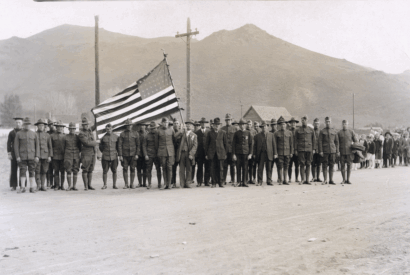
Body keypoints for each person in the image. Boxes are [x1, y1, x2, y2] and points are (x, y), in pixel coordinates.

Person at [14, 117, 39, 193]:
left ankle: (32, 187)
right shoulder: (18, 134)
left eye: (28, 124)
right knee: (22, 171)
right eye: (25, 124)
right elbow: (16, 146)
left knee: (32, 171)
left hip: (32, 156)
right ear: (23, 125)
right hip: (22, 157)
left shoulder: (34, 134)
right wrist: (17, 156)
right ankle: (22, 187)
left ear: (30, 125)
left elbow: (37, 146)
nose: (27, 126)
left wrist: (37, 156)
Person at [205, 117, 228, 188]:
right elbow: (206, 144)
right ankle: (213, 183)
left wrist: (225, 153)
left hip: (220, 153)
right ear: (213, 125)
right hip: (212, 154)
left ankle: (221, 182)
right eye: (215, 124)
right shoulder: (209, 133)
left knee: (221, 168)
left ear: (220, 125)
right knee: (212, 168)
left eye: (218, 124)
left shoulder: (223, 133)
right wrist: (206, 154)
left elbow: (225, 144)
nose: (217, 126)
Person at [78, 117, 100, 191]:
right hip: (86, 153)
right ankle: (85, 186)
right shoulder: (81, 134)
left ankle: (89, 185)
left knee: (91, 169)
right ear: (82, 125)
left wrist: (96, 118)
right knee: (85, 169)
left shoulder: (89, 130)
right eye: (84, 125)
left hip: (93, 153)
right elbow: (87, 143)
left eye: (87, 124)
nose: (86, 126)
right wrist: (96, 142)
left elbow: (95, 126)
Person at [118, 119, 140, 189]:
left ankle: (132, 184)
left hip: (133, 154)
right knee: (125, 169)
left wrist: (137, 154)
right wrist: (120, 155)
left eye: (130, 125)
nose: (129, 126)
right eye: (127, 125)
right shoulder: (122, 134)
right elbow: (119, 145)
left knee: (133, 169)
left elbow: (138, 145)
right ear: (125, 126)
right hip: (125, 155)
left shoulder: (136, 133)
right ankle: (126, 184)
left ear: (132, 125)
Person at [253, 121, 277, 186]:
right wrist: (254, 154)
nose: (264, 128)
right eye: (262, 127)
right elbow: (255, 146)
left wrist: (275, 153)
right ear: (261, 128)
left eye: (265, 126)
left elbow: (274, 145)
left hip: (269, 153)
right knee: (260, 168)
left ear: (267, 127)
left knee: (269, 168)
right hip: (261, 154)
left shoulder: (271, 135)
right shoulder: (257, 136)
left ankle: (269, 181)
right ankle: (259, 181)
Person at [176, 119, 198, 188]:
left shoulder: (194, 135)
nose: (188, 125)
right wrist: (181, 131)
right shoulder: (182, 134)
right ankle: (182, 183)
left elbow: (195, 146)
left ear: (192, 127)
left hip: (189, 154)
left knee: (189, 168)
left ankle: (188, 182)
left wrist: (191, 154)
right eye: (187, 124)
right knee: (181, 169)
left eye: (190, 124)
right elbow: (175, 137)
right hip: (182, 153)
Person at [295, 115, 316, 185]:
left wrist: (313, 149)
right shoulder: (298, 130)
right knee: (301, 164)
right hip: (301, 149)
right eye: (302, 120)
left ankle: (307, 180)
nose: (303, 122)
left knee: (308, 164)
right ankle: (302, 180)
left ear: (307, 121)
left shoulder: (311, 130)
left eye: (304, 120)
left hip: (309, 149)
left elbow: (314, 140)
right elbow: (295, 141)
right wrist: (295, 149)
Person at [156, 117, 176, 190]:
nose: (165, 124)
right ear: (162, 123)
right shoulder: (158, 131)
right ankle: (165, 184)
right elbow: (156, 143)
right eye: (164, 122)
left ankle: (170, 184)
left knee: (169, 167)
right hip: (162, 152)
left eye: (167, 122)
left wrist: (172, 150)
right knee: (164, 167)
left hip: (170, 151)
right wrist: (158, 152)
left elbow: (173, 140)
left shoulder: (171, 130)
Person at [232, 118, 253, 187]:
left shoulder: (248, 133)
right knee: (238, 167)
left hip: (246, 153)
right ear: (239, 125)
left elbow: (251, 144)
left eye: (243, 124)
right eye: (241, 124)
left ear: (245, 125)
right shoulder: (236, 133)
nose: (242, 126)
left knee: (245, 168)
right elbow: (233, 144)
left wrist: (250, 154)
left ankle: (244, 182)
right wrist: (234, 154)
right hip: (238, 153)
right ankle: (238, 182)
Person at [318, 117, 339, 185]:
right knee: (324, 165)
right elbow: (320, 142)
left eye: (329, 121)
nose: (328, 123)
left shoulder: (334, 131)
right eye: (326, 122)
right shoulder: (322, 131)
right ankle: (325, 180)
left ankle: (331, 180)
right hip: (325, 151)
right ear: (325, 122)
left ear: (331, 122)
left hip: (332, 151)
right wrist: (321, 151)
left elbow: (336, 142)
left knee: (332, 165)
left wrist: (337, 151)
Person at [34, 119, 52, 191]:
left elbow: (50, 146)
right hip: (37, 156)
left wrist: (50, 156)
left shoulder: (47, 135)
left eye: (42, 125)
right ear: (37, 126)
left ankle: (42, 185)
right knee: (37, 171)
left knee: (44, 171)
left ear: (44, 126)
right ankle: (38, 185)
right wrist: (35, 156)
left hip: (45, 155)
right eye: (39, 125)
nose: (41, 127)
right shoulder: (34, 134)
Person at [99, 124, 120, 189]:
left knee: (114, 170)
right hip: (105, 156)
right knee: (105, 171)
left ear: (112, 129)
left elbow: (118, 146)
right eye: (107, 129)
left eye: (110, 129)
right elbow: (100, 147)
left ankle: (114, 185)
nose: (108, 130)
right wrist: (104, 152)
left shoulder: (116, 137)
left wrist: (117, 153)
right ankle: (105, 185)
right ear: (106, 130)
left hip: (114, 156)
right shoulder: (103, 138)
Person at [273, 116, 293, 185]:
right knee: (280, 166)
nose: (282, 125)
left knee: (286, 166)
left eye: (284, 124)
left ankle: (285, 180)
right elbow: (275, 144)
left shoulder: (289, 133)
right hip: (280, 152)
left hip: (287, 152)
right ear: (279, 125)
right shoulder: (276, 133)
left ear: (286, 125)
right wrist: (276, 153)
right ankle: (280, 180)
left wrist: (291, 152)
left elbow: (291, 143)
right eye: (281, 124)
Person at [337, 120, 357, 184]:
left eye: (346, 124)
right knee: (342, 166)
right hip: (342, 152)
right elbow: (337, 143)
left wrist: (354, 148)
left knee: (349, 166)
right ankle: (343, 179)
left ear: (348, 124)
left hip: (349, 152)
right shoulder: (339, 133)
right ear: (342, 125)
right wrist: (338, 151)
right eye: (343, 124)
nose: (344, 125)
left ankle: (348, 179)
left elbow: (356, 141)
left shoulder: (351, 132)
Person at [63, 122, 81, 191]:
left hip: (76, 155)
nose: (72, 130)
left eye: (73, 129)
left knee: (76, 170)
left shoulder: (77, 137)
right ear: (69, 129)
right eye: (71, 129)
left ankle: (74, 186)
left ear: (75, 129)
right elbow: (63, 147)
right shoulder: (65, 137)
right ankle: (69, 186)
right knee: (68, 171)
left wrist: (77, 153)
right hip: (68, 156)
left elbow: (79, 147)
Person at [7, 117, 23, 191]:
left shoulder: (23, 132)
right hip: (13, 153)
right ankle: (14, 185)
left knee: (22, 169)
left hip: (22, 153)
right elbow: (8, 143)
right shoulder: (11, 133)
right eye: (16, 122)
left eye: (19, 122)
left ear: (22, 123)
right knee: (13, 169)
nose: (18, 124)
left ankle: (22, 185)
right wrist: (9, 153)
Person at [145, 122, 161, 189]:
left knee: (158, 169)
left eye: (154, 128)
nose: (153, 130)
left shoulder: (159, 134)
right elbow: (144, 146)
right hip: (149, 154)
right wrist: (146, 154)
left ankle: (159, 183)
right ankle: (149, 183)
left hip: (157, 154)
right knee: (149, 169)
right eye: (152, 128)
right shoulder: (147, 135)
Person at [50, 120, 66, 190]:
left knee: (62, 171)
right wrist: (51, 155)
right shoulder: (52, 136)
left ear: (63, 128)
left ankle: (62, 185)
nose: (60, 128)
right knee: (56, 171)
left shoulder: (65, 136)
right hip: (55, 156)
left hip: (63, 157)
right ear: (56, 128)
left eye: (61, 127)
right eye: (58, 127)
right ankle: (57, 185)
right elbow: (50, 147)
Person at [195, 117, 211, 187]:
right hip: (199, 153)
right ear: (200, 124)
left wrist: (209, 153)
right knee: (199, 168)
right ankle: (199, 181)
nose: (203, 124)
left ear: (206, 124)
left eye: (204, 123)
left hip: (207, 153)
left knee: (207, 167)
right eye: (202, 123)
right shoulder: (197, 133)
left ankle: (206, 181)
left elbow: (210, 143)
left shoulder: (209, 132)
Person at [221, 114, 237, 184]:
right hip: (225, 150)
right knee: (224, 165)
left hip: (232, 150)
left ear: (231, 120)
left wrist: (235, 152)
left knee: (232, 166)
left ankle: (233, 180)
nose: (228, 121)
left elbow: (236, 141)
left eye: (229, 120)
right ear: (225, 121)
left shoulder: (235, 129)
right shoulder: (222, 129)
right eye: (227, 120)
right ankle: (223, 180)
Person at [171, 118, 183, 188]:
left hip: (180, 152)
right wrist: (180, 131)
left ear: (179, 124)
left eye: (177, 123)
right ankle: (173, 182)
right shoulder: (171, 131)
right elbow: (174, 138)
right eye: (175, 123)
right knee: (173, 168)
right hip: (173, 152)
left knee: (181, 169)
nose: (176, 125)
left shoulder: (182, 132)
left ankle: (181, 182)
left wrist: (182, 131)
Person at [287, 117, 300, 183]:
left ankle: (297, 178)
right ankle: (289, 178)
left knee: (297, 165)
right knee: (289, 165)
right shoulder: (288, 131)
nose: (293, 124)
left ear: (296, 124)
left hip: (297, 151)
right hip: (290, 151)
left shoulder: (298, 131)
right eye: (292, 123)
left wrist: (297, 150)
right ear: (290, 124)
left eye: (294, 123)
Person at [136, 122, 147, 187]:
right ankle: (140, 183)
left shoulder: (147, 133)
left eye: (143, 125)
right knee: (138, 169)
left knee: (145, 169)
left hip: (145, 154)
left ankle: (145, 183)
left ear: (145, 126)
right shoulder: (136, 134)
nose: (142, 127)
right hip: (139, 154)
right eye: (140, 126)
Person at [46, 119, 56, 188]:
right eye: (49, 125)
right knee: (48, 169)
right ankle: (49, 182)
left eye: (52, 124)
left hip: (55, 153)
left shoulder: (56, 133)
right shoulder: (47, 133)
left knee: (55, 168)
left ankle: (54, 183)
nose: (51, 126)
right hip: (48, 153)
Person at [246, 120, 257, 184]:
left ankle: (253, 178)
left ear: (251, 125)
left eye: (250, 124)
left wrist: (254, 152)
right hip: (246, 151)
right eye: (248, 124)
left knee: (253, 166)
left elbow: (255, 142)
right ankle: (246, 179)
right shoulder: (245, 131)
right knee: (246, 165)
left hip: (253, 151)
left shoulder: (254, 131)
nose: (249, 125)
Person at [311, 118, 322, 182]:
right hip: (313, 150)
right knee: (313, 164)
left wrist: (321, 150)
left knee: (319, 164)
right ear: (313, 124)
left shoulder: (321, 131)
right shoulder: (311, 131)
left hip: (319, 150)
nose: (316, 125)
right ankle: (313, 177)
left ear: (319, 124)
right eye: (315, 123)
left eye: (317, 124)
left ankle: (318, 177)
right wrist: (313, 149)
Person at [269, 118, 279, 182]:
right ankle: (269, 178)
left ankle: (279, 178)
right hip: (271, 152)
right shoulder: (269, 133)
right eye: (272, 125)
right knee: (270, 166)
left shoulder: (279, 132)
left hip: (278, 152)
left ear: (276, 125)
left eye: (275, 125)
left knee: (278, 166)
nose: (273, 126)